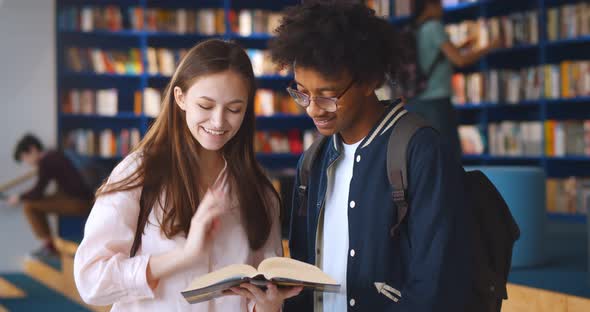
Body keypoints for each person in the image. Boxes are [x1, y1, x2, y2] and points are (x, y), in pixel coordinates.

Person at [269, 1, 471, 311]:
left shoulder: (421, 151)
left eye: (327, 94)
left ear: (369, 80)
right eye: (301, 92)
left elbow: (435, 283)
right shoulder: (311, 161)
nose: (312, 108)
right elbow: (302, 277)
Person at [74, 39, 301, 312]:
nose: (218, 122)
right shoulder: (140, 172)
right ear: (180, 98)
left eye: (234, 109)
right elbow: (91, 281)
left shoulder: (259, 191)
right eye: (205, 106)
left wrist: (268, 306)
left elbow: (258, 294)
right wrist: (184, 256)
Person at [407, 0, 503, 160]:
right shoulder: (434, 27)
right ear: (430, 5)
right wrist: (489, 47)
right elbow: (459, 60)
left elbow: (435, 56)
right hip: (436, 101)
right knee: (449, 154)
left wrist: (463, 45)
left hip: (416, 101)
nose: (442, 10)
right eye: (439, 5)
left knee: (427, 153)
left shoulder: (416, 29)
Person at [8, 134, 93, 258]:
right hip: (82, 198)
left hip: (79, 202)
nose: (27, 162)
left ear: (32, 149)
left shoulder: (46, 161)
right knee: (41, 200)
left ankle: (49, 247)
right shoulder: (53, 155)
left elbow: (37, 192)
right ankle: (49, 246)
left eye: (25, 157)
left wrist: (19, 197)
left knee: (29, 207)